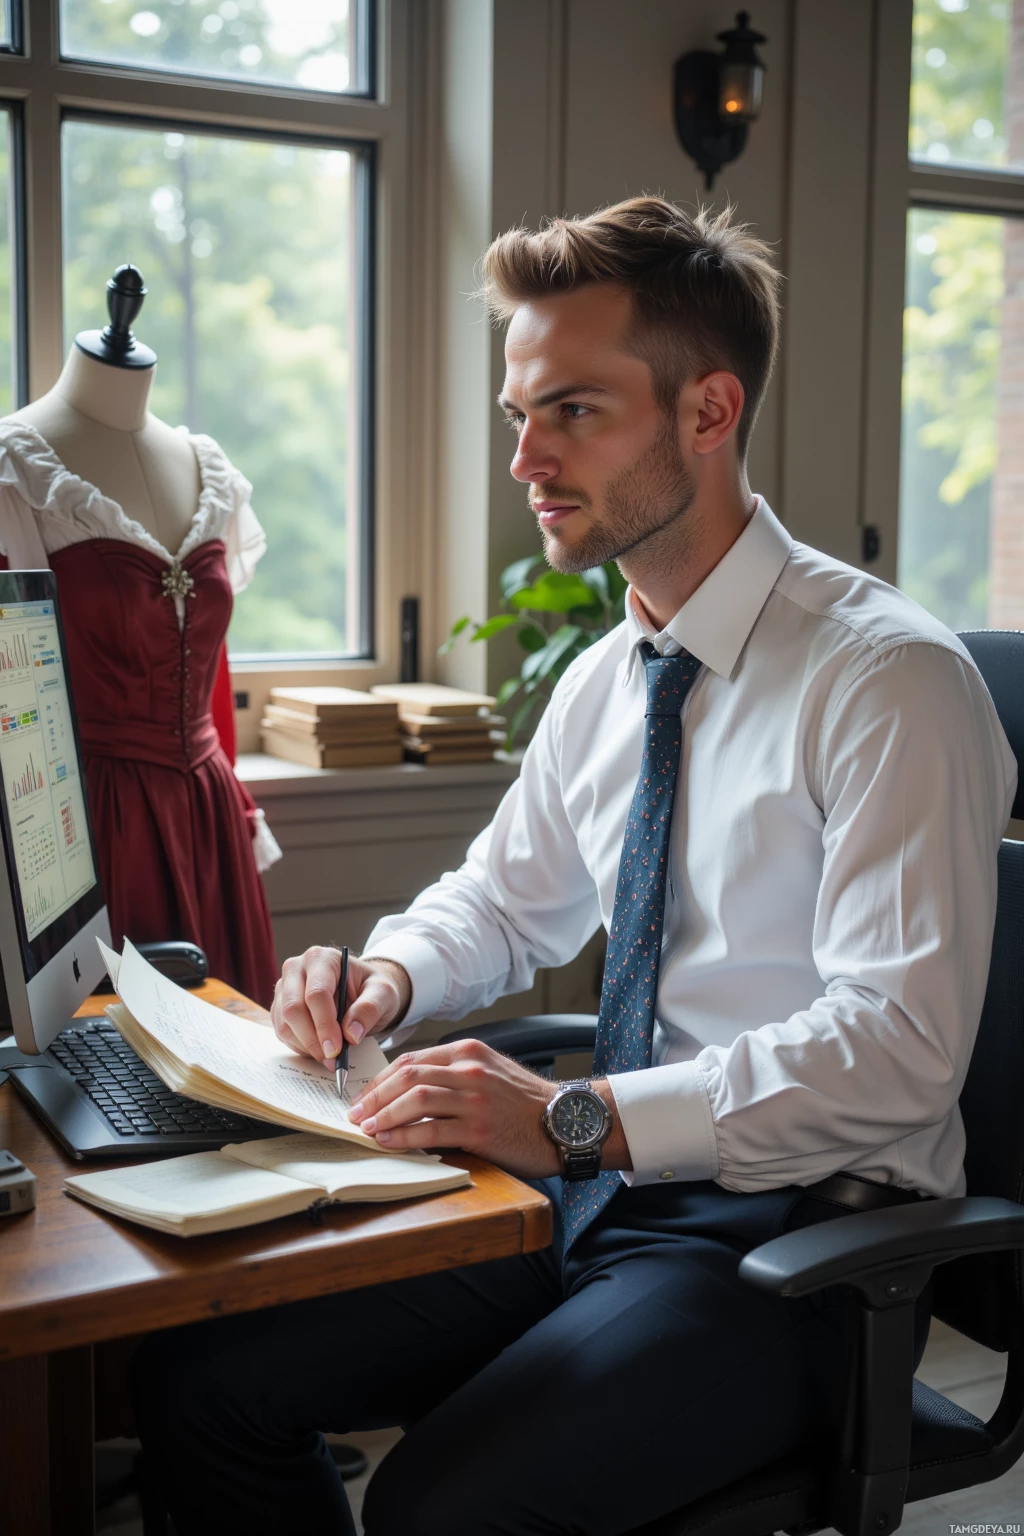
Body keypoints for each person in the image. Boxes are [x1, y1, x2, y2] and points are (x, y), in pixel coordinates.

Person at [129, 198, 1017, 1536]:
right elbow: (505, 896)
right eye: (518, 414)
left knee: (440, 1508)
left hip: (793, 1255)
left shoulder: (890, 682)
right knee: (200, 1385)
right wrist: (383, 976)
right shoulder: (615, 674)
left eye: (574, 413)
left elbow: (894, 1052)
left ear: (707, 414)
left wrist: (566, 1120)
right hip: (599, 1198)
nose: (525, 456)